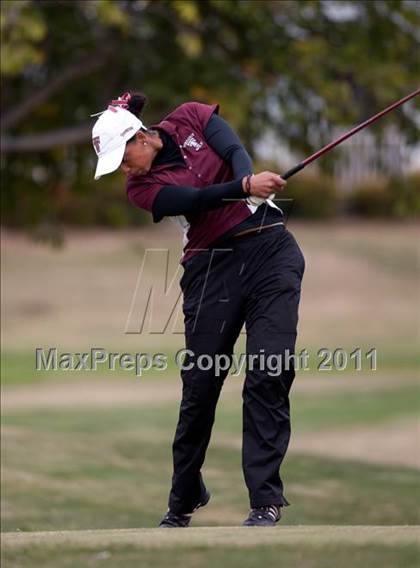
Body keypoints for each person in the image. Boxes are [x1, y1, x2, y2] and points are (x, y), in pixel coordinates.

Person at [91, 92, 305, 527]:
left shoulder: (190, 117)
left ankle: (265, 501)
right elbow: (192, 200)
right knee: (201, 387)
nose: (124, 171)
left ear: (141, 139)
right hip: (211, 270)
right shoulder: (142, 188)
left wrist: (251, 187)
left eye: (123, 159)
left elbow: (232, 149)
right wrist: (244, 188)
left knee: (269, 372)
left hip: (270, 252)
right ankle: (184, 495)